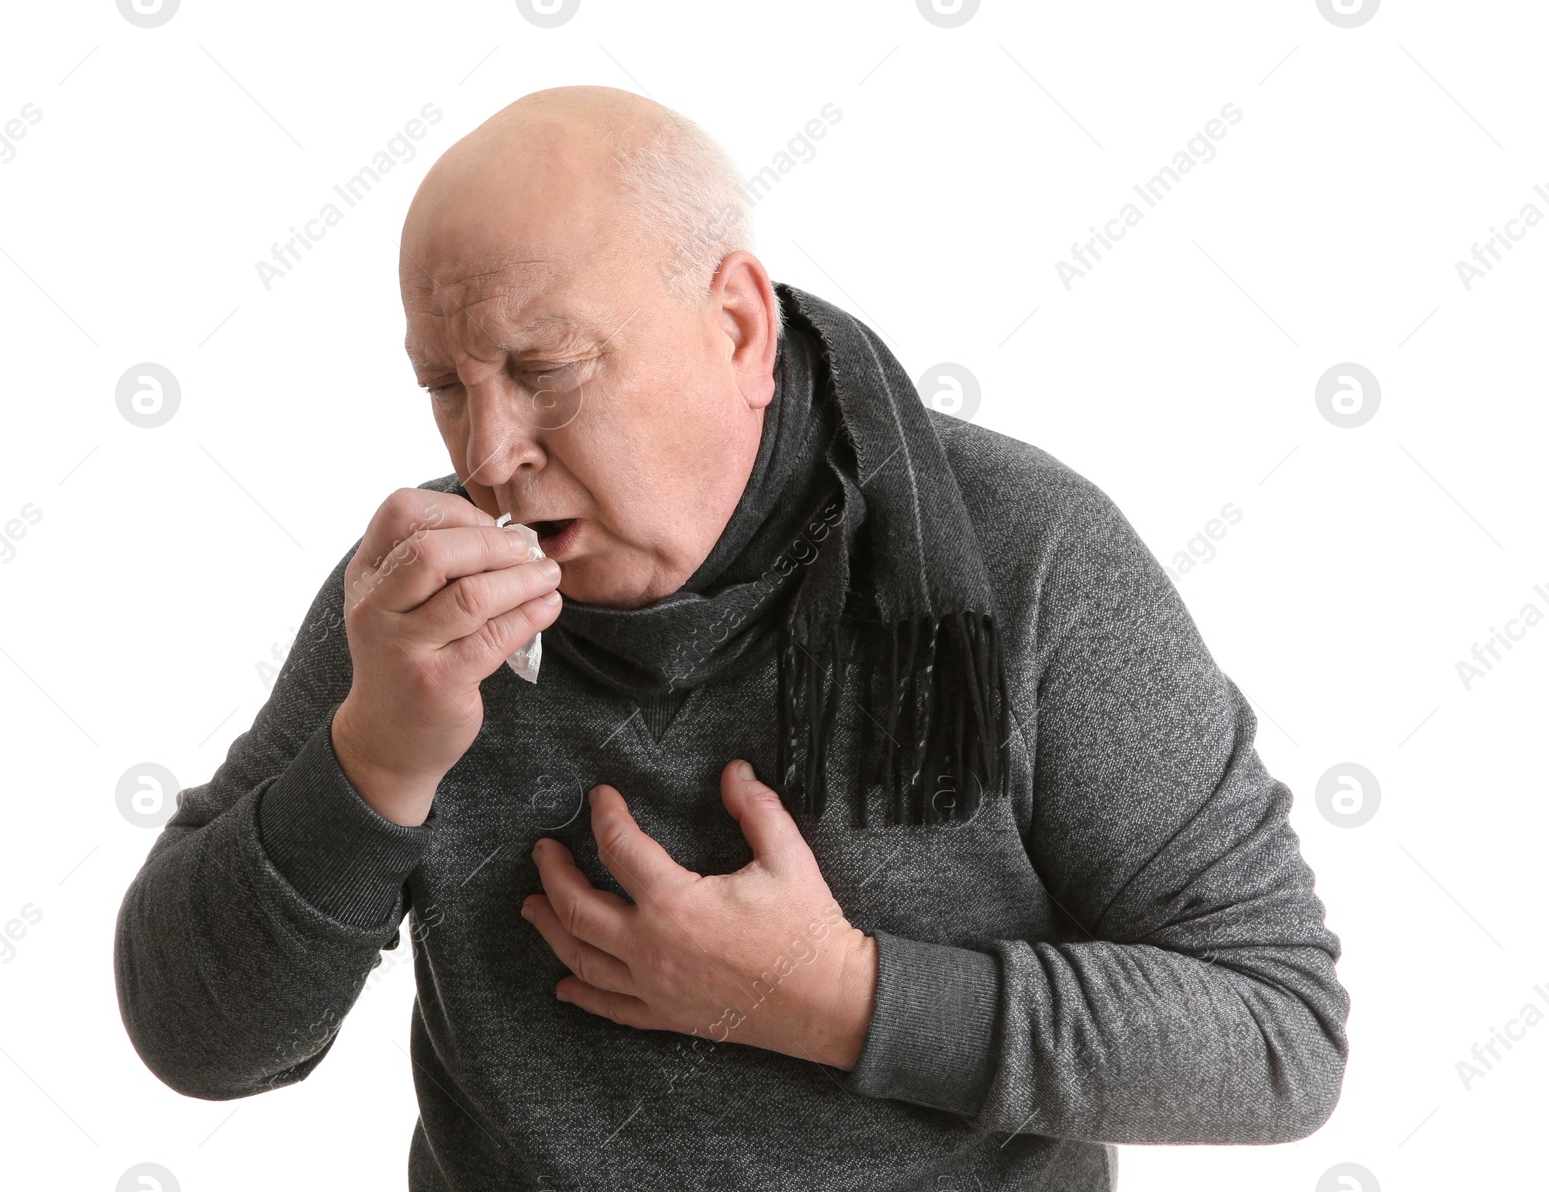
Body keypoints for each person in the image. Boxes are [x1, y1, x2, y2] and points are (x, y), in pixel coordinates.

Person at [113, 85, 1349, 1191]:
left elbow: (1278, 1034)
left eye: (548, 367)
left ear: (740, 327)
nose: (485, 458)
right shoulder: (420, 597)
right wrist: (372, 762)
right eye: (444, 383)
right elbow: (198, 1040)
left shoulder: (1026, 555)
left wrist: (841, 999)